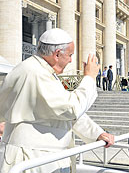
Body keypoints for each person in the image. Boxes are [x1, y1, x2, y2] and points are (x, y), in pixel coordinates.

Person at [0, 28, 114, 173]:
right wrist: (89, 78)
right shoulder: (34, 72)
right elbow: (71, 108)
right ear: (57, 54)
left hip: (47, 157)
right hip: (32, 157)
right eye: (70, 55)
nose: (71, 60)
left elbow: (61, 111)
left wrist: (96, 133)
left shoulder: (43, 71)